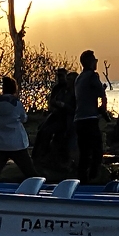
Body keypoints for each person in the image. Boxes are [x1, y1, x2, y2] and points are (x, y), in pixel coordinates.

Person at [0, 77, 36, 182]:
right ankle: (38, 188)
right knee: (29, 172)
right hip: (16, 143)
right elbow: (23, 118)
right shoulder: (16, 103)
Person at [72, 49, 107, 181]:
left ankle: (82, 180)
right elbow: (100, 93)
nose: (96, 62)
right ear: (91, 63)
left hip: (78, 120)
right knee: (97, 152)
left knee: (84, 153)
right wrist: (103, 108)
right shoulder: (92, 76)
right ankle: (93, 179)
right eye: (95, 60)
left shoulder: (78, 78)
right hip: (90, 119)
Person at [35, 66, 76, 161]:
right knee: (41, 130)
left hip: (66, 118)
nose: (60, 78)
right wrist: (53, 107)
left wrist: (63, 105)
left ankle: (47, 155)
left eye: (62, 76)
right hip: (56, 115)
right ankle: (39, 154)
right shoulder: (58, 89)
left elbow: (73, 108)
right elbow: (52, 101)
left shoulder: (73, 91)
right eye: (59, 76)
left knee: (48, 132)